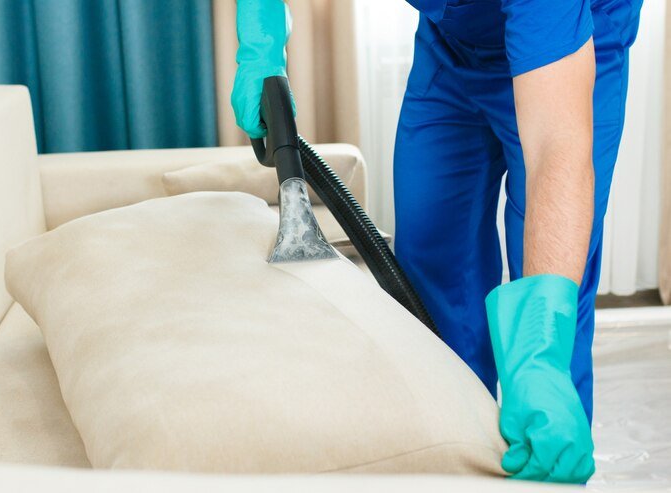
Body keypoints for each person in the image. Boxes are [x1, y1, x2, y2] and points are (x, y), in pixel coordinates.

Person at [231, 0, 643, 483]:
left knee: (547, 308)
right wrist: (260, 46)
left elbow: (556, 144)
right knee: (432, 261)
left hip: (571, 42)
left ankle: (546, 460)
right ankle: (458, 467)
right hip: (452, 50)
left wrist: (541, 357)